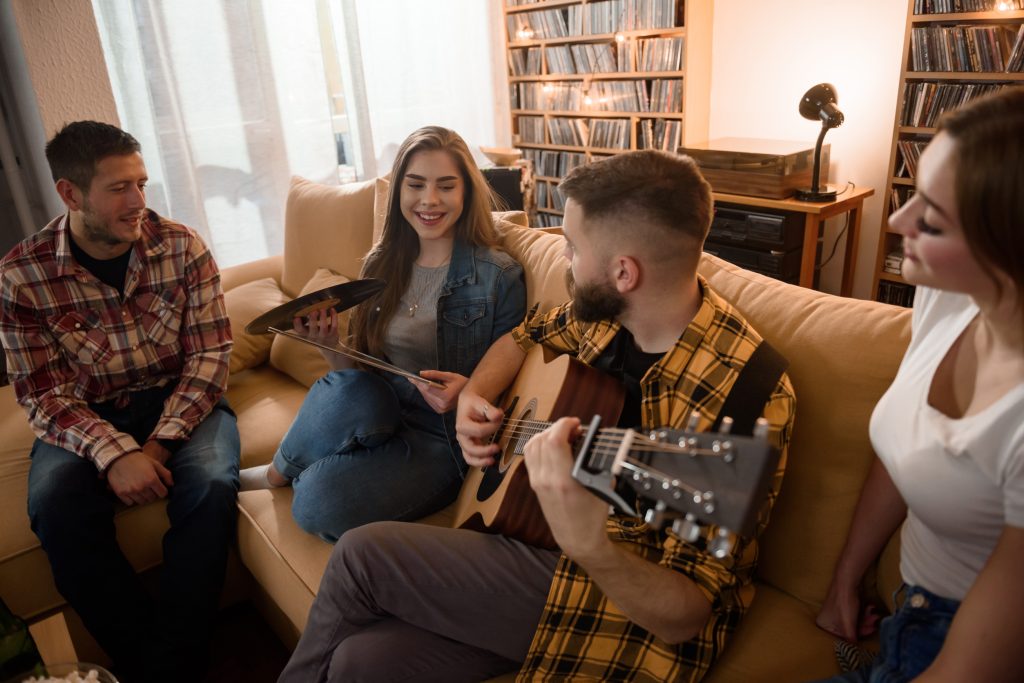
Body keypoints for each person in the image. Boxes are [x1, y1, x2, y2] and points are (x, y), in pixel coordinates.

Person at [276, 149, 796, 682]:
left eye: (572, 247)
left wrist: (588, 541)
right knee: (360, 663)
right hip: (532, 541)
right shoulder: (609, 316)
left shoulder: (744, 392)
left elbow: (687, 616)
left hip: (617, 600)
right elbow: (525, 336)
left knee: (363, 554)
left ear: (623, 271)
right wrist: (476, 396)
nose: (563, 260)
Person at [0, 121, 240, 682]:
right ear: (70, 193)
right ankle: (153, 664)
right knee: (55, 508)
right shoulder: (21, 276)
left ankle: (175, 664)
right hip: (87, 413)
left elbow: (210, 357)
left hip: (180, 401)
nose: (138, 202)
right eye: (118, 188)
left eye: (142, 183)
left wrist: (155, 448)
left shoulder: (181, 245)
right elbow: (44, 393)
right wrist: (114, 452)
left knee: (210, 485)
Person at [814, 88, 1024, 682]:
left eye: (929, 217)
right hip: (907, 611)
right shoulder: (949, 294)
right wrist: (845, 579)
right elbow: (907, 442)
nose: (896, 221)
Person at [239, 126, 526, 542]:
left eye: (446, 186)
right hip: (376, 404)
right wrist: (330, 347)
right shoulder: (382, 262)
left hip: (440, 436)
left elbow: (515, 375)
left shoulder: (498, 275)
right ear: (399, 192)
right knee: (347, 386)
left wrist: (469, 391)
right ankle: (277, 472)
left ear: (466, 193)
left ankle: (304, 469)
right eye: (416, 185)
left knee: (316, 503)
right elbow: (358, 375)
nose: (429, 200)